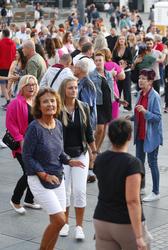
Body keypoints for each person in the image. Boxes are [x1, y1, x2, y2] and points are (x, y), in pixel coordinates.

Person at [22, 88, 84, 250]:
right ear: (39, 107)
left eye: (52, 100)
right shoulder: (34, 128)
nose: (50, 104)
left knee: (56, 222)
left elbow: (59, 151)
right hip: (39, 179)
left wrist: (70, 161)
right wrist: (44, 175)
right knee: (60, 221)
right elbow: (27, 157)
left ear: (57, 103)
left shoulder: (57, 125)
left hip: (58, 177)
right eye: (45, 101)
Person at [93, 118, 150, 250]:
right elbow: (132, 201)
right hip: (125, 223)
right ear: (129, 137)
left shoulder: (100, 159)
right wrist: (139, 236)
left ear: (109, 136)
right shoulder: (132, 163)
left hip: (102, 220)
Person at [57, 77, 97, 240]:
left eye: (75, 87)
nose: (74, 90)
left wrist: (94, 152)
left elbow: (88, 132)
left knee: (80, 191)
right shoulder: (57, 109)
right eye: (70, 88)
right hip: (62, 157)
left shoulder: (83, 107)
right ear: (64, 90)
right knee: (64, 193)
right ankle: (65, 223)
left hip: (81, 154)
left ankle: (79, 227)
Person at [6, 75, 40, 214]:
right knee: (29, 172)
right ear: (22, 87)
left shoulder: (37, 101)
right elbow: (10, 124)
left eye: (33, 84)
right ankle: (15, 200)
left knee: (35, 172)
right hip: (22, 146)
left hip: (37, 144)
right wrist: (20, 140)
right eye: (28, 85)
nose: (31, 87)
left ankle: (29, 200)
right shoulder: (16, 103)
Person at [131, 69, 163, 202]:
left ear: (150, 82)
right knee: (139, 162)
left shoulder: (154, 96)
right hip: (140, 133)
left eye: (144, 79)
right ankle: (142, 187)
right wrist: (132, 117)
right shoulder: (140, 93)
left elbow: (158, 117)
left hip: (151, 135)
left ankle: (156, 192)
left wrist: (145, 112)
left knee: (152, 163)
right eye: (140, 78)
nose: (140, 81)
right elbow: (139, 113)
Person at [112, 35, 133, 111]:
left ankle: (127, 106)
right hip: (117, 72)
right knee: (117, 88)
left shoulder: (128, 49)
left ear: (125, 41)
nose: (121, 40)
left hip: (126, 71)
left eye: (123, 39)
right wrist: (118, 64)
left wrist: (125, 62)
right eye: (120, 39)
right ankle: (117, 104)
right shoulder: (115, 49)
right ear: (118, 40)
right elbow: (113, 60)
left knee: (127, 89)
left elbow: (131, 60)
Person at [0, 29, 16, 109]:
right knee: (9, 84)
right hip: (11, 65)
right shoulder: (13, 43)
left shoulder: (0, 43)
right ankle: (9, 101)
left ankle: (8, 101)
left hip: (2, 66)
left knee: (3, 85)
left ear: (3, 34)